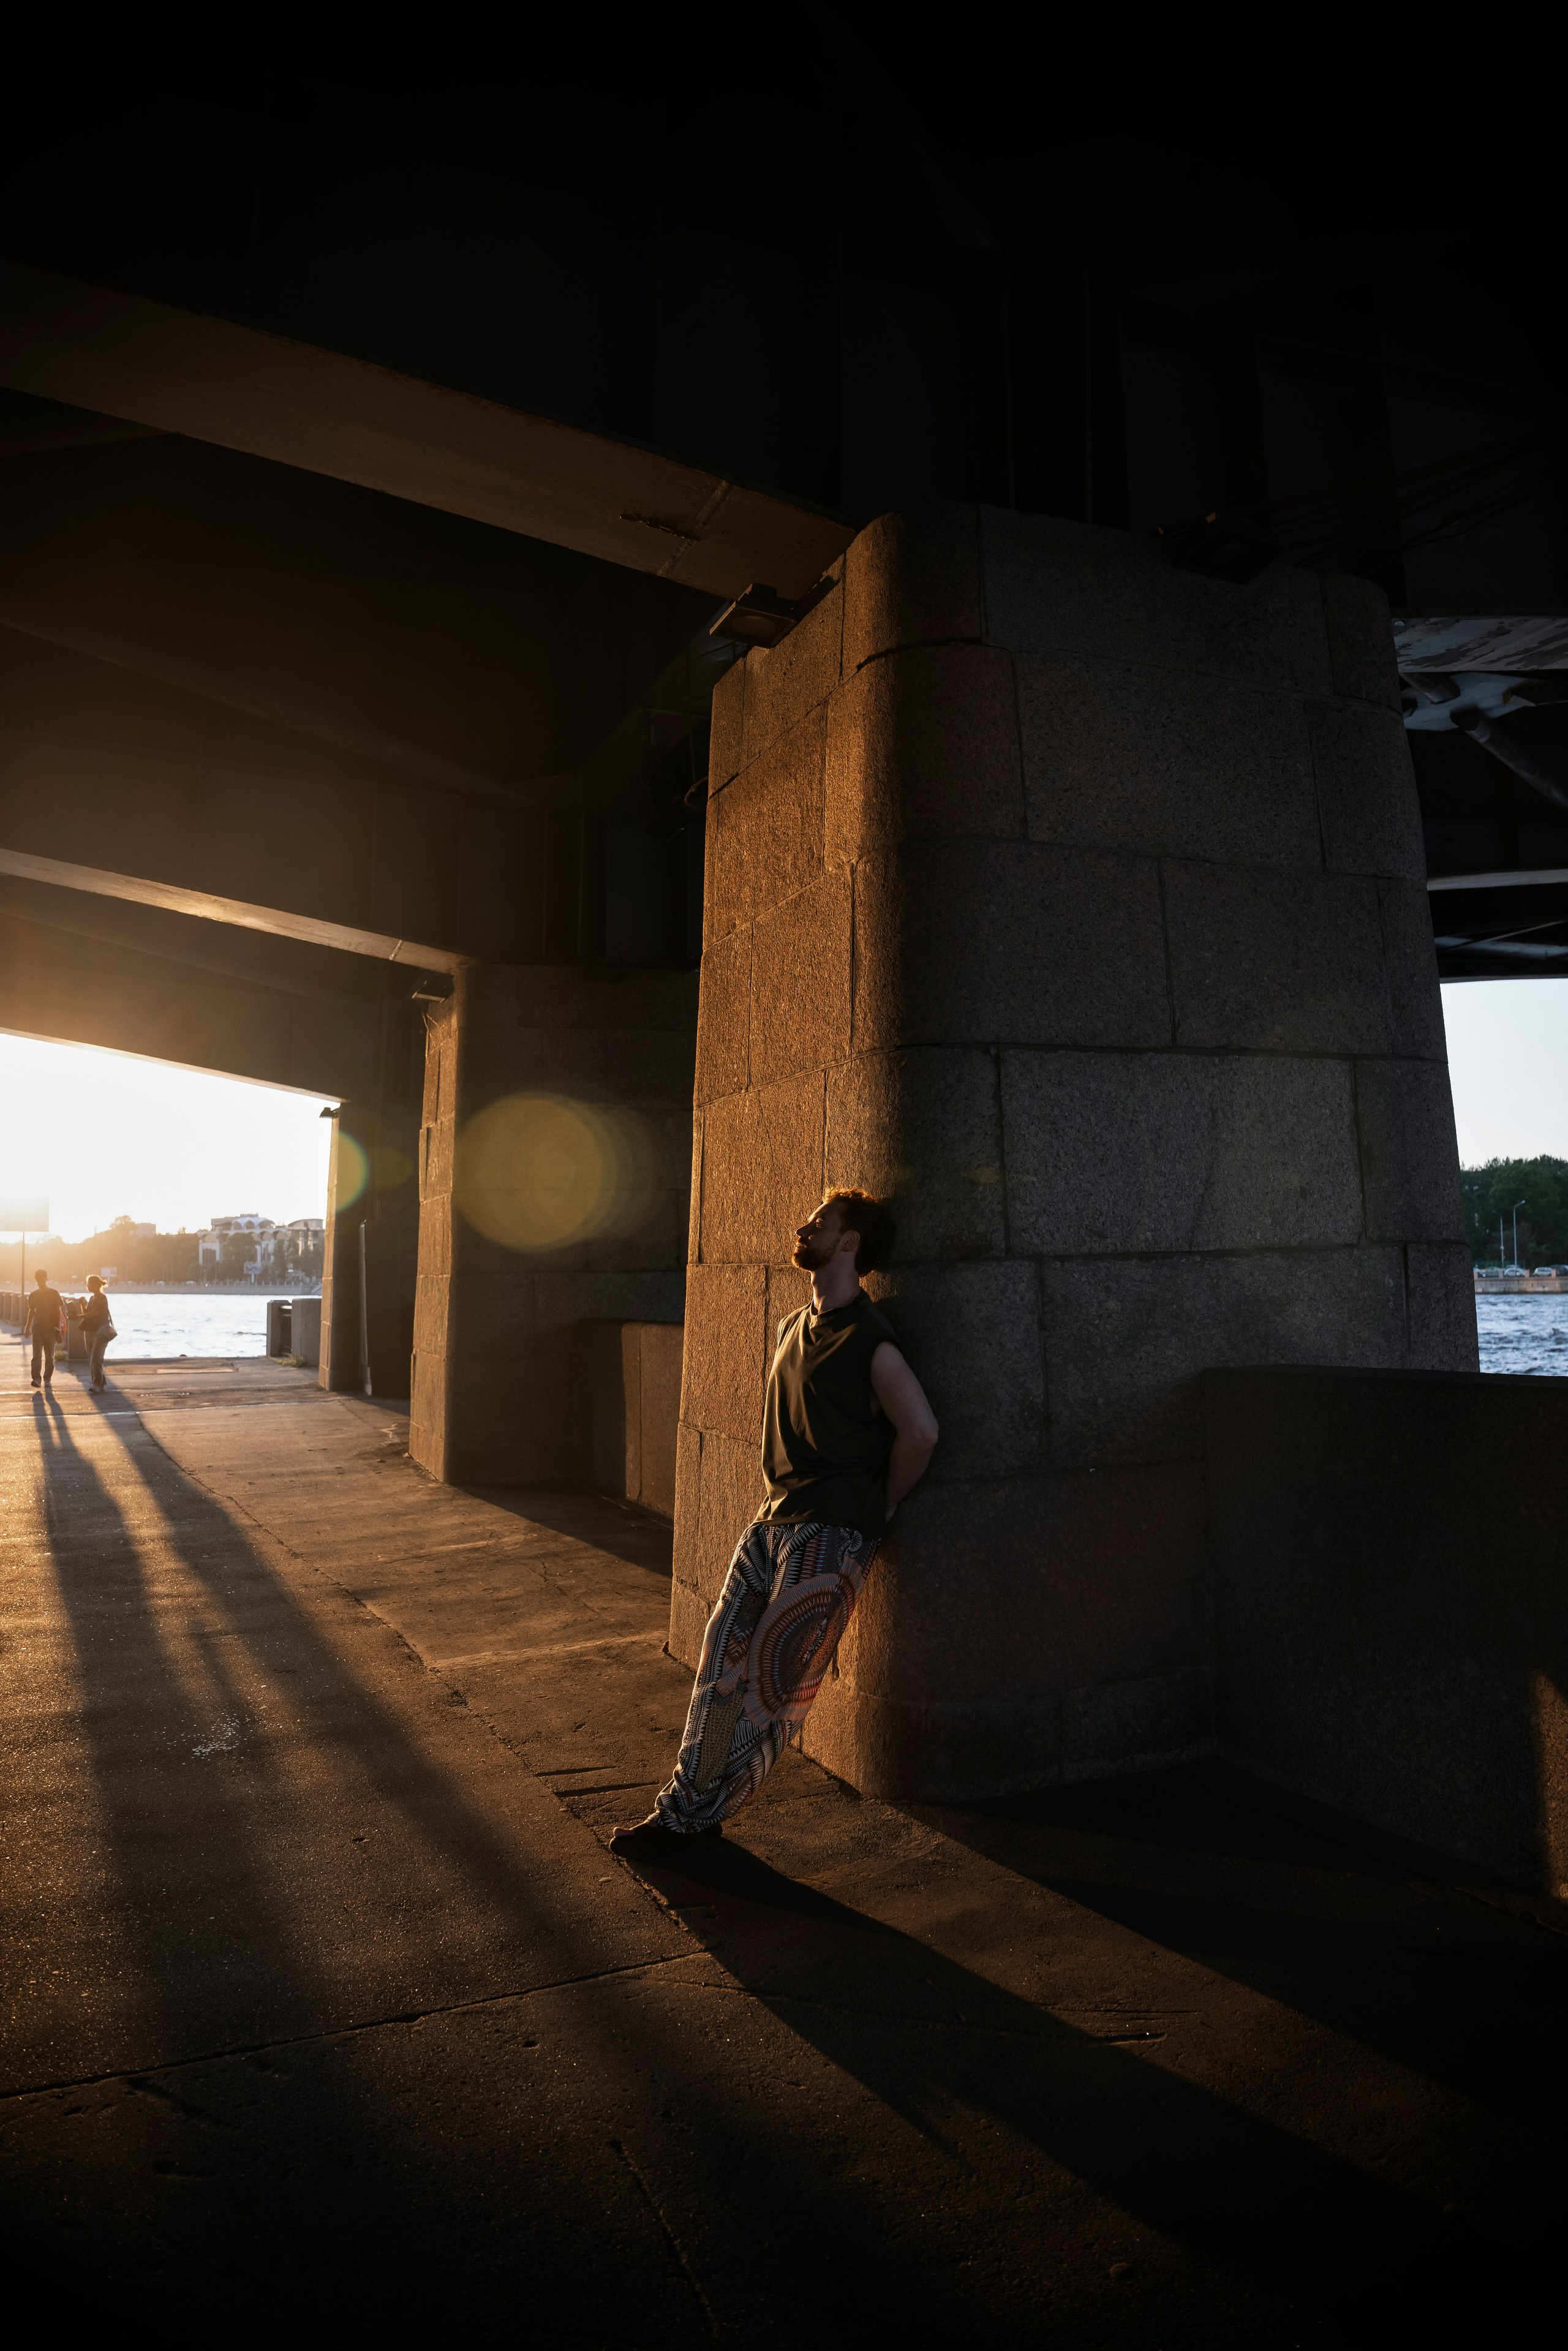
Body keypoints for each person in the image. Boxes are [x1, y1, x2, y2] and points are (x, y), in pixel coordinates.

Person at [611, 1188, 939, 1854]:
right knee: (719, 1668)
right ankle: (686, 1813)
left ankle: (687, 1820)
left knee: (770, 1690)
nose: (804, 1226)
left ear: (848, 1244)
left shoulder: (871, 1342)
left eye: (821, 1222)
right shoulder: (794, 1325)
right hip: (769, 1523)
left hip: (831, 1533)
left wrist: (881, 1507)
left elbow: (922, 1431)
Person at [23, 1268, 66, 1391]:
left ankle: (47, 1378)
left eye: (43, 1279)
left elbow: (59, 1311)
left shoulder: (54, 1293)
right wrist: (28, 1328)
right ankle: (37, 1379)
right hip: (37, 1328)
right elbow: (32, 1312)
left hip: (51, 1329)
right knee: (36, 1355)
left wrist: (57, 1327)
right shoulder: (34, 1295)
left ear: (47, 1279)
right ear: (36, 1281)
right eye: (38, 1280)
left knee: (50, 1356)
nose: (41, 1282)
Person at [81, 1275, 115, 1392]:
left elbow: (95, 1313)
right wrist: (82, 1304)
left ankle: (97, 1384)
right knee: (93, 1358)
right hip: (89, 1331)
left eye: (90, 1283)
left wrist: (79, 1316)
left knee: (96, 1357)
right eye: (87, 1283)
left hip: (101, 1333)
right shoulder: (92, 1298)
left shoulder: (102, 1298)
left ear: (96, 1285)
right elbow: (88, 1312)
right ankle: (101, 1382)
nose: (88, 1285)